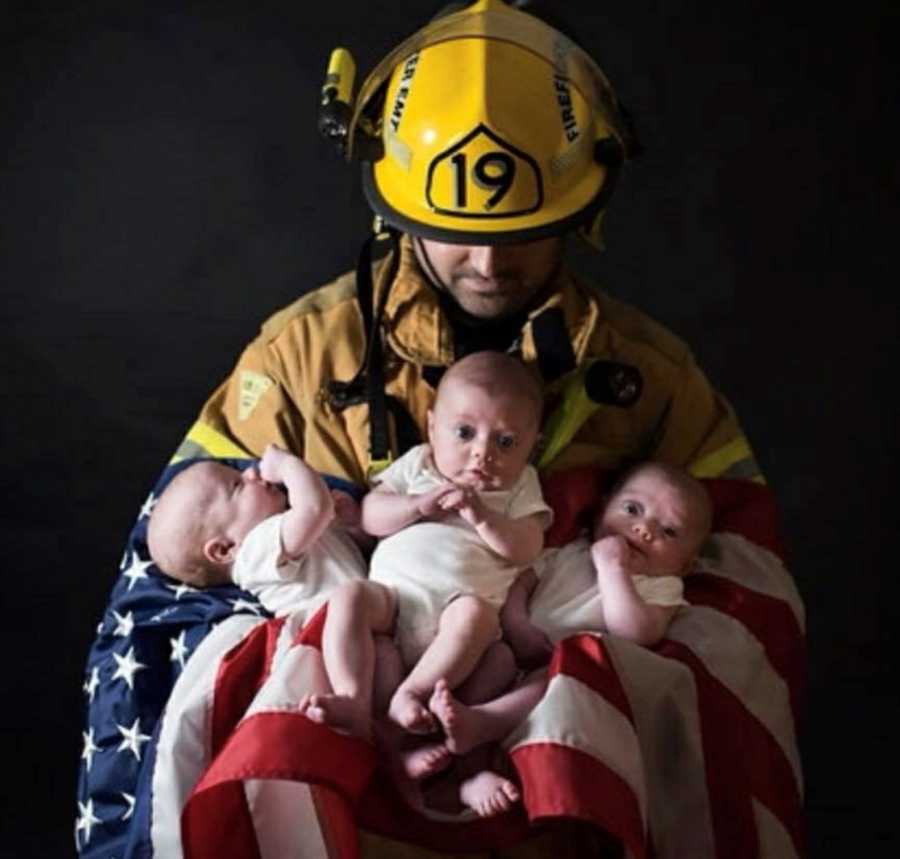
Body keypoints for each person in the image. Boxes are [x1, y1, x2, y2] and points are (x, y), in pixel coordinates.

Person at [77, 1, 766, 855]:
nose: (487, 263)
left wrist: (579, 660)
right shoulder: (299, 357)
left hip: (552, 799)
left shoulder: (655, 382)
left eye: (519, 233)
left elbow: (741, 613)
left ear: (579, 209)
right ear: (396, 206)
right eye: (456, 234)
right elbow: (173, 578)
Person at [298, 351, 552, 814]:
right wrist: (417, 506)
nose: (482, 453)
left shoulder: (519, 489)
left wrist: (481, 515)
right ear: (431, 426)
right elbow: (373, 514)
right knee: (350, 596)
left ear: (533, 445)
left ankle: (464, 768)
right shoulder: (418, 466)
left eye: (507, 441)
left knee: (486, 641)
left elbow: (526, 546)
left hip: (461, 632)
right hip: (395, 602)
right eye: (464, 433)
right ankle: (355, 701)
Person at [419, 460, 712, 816]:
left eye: (669, 531)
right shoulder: (569, 551)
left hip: (558, 673)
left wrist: (613, 569)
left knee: (555, 680)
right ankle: (452, 760)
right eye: (633, 509)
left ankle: (478, 744)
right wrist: (517, 623)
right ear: (603, 509)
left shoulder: (662, 585)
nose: (644, 529)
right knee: (492, 663)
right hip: (513, 646)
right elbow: (519, 584)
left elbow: (637, 633)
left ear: (685, 564)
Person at [146, 444, 367, 617]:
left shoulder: (289, 528)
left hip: (366, 611)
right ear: (225, 549)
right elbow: (315, 508)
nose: (251, 472)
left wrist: (349, 524)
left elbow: (351, 556)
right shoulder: (253, 552)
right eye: (237, 485)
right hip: (328, 628)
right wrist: (287, 465)